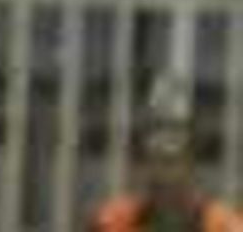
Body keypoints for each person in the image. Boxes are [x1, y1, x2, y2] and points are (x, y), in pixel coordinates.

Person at [89, 88, 243, 232]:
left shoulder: (225, 226)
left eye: (170, 162)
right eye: (149, 160)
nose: (158, 172)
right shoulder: (111, 222)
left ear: (193, 165)